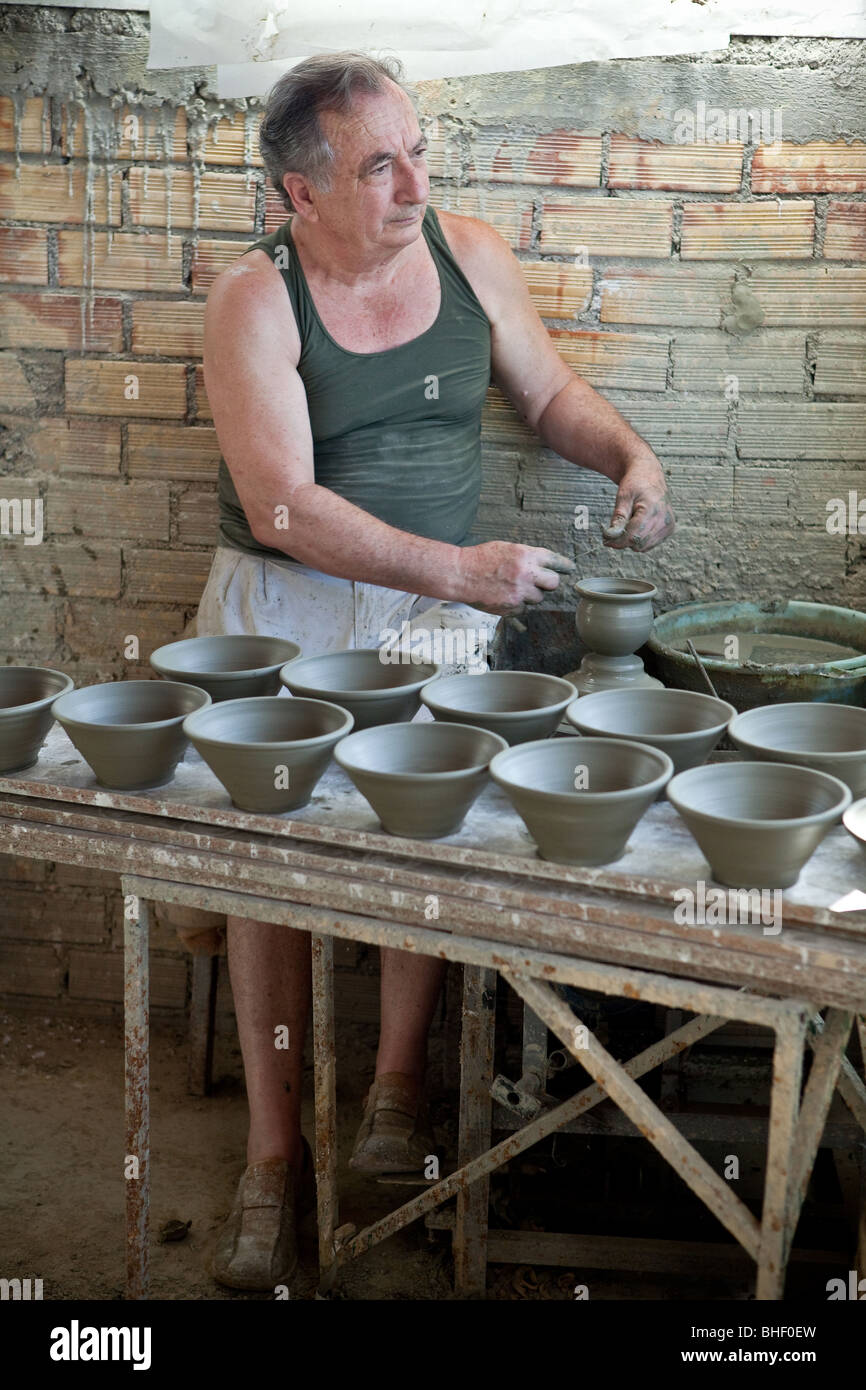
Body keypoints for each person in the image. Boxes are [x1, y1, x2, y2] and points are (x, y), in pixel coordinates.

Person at [187, 49, 675, 1290]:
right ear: (300, 193)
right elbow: (283, 507)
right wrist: (459, 573)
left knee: (424, 838)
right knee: (267, 863)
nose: (414, 183)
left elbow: (548, 388)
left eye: (418, 150)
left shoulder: (462, 251)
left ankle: (395, 1092)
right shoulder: (255, 298)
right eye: (378, 165)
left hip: (433, 621)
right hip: (286, 607)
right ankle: (269, 1154)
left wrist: (627, 456)